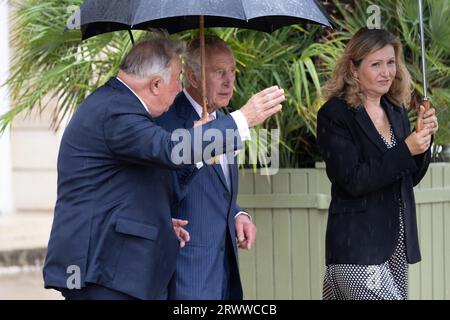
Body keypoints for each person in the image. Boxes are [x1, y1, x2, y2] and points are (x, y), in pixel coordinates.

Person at [43, 37, 285, 300]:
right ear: (156, 84)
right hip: (102, 269)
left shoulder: (118, 104)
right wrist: (244, 118)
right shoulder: (116, 110)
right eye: (178, 78)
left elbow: (128, 185)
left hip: (112, 269)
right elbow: (169, 150)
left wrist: (158, 219)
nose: (180, 87)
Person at [316, 28, 439, 300]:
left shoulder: (394, 110)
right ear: (353, 68)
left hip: (395, 244)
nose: (386, 72)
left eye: (391, 62)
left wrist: (423, 142)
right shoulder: (335, 114)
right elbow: (352, 180)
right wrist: (407, 149)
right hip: (357, 247)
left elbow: (407, 177)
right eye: (376, 64)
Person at [156, 36, 256, 300]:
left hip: (224, 273)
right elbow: (164, 189)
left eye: (232, 71)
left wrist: (238, 214)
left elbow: (216, 190)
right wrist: (197, 144)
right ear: (192, 76)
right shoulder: (168, 122)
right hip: (188, 274)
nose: (229, 80)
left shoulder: (223, 120)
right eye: (219, 72)